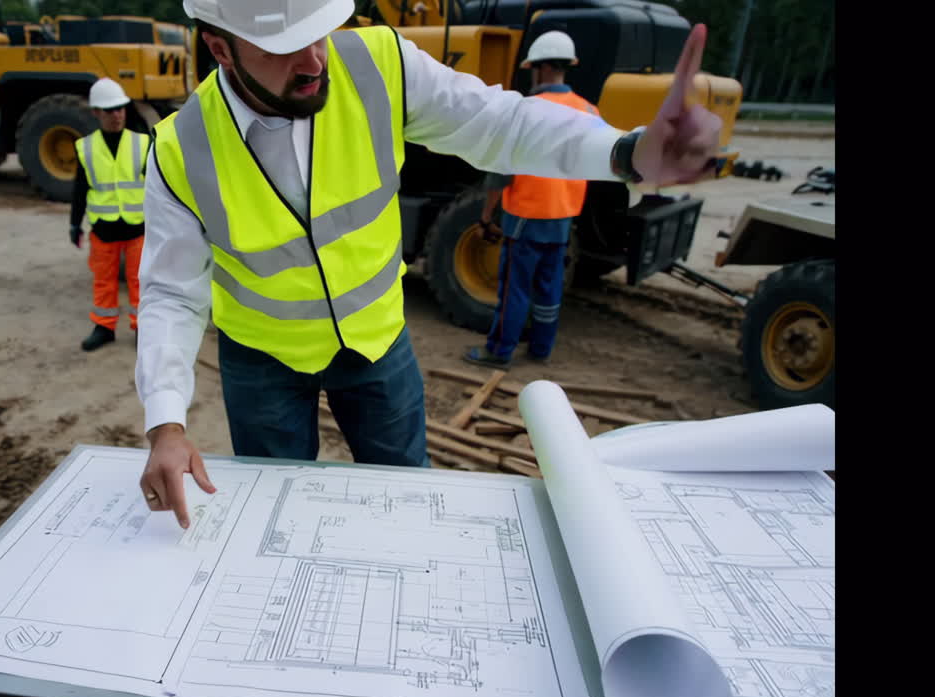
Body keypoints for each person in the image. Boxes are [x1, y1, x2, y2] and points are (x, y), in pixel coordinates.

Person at [137, 0, 722, 528]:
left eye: (320, 33)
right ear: (221, 49)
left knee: (408, 494)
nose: (314, 61)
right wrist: (167, 424)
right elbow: (171, 292)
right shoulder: (180, 149)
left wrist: (626, 151)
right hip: (263, 357)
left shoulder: (377, 64)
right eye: (284, 47)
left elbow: (500, 123)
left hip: (376, 337)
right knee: (276, 506)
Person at [464, 31, 599, 369]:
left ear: (541, 68)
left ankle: (499, 351)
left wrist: (486, 216)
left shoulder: (524, 111)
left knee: (515, 288)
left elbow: (500, 173)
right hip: (562, 216)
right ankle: (540, 349)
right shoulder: (588, 111)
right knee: (549, 286)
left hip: (526, 214)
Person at [70, 78, 150, 352]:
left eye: (120, 109)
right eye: (109, 110)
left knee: (141, 281)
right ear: (96, 112)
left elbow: (157, 188)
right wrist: (74, 224)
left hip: (137, 228)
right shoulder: (86, 148)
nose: (116, 115)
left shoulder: (142, 143)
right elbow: (80, 189)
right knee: (104, 281)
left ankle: (142, 328)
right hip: (103, 229)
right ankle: (104, 327)